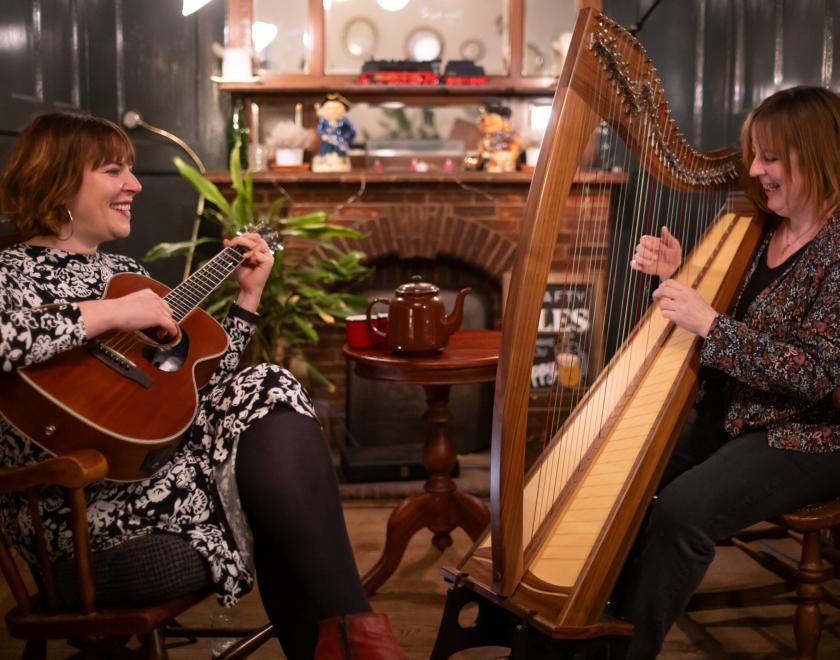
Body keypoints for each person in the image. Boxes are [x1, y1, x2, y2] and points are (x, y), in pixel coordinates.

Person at [0, 112, 406, 660]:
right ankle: (354, 641)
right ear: (58, 178)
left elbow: (190, 391)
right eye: (114, 170)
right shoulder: (11, 273)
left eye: (133, 170)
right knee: (281, 509)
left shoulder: (123, 271)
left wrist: (248, 301)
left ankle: (350, 637)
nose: (135, 185)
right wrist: (110, 313)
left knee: (268, 383)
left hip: (159, 474)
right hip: (85, 524)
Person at [616, 85, 840, 658]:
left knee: (684, 511)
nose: (755, 170)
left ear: (813, 154)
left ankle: (625, 652)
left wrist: (711, 324)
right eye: (753, 155)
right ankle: (587, 632)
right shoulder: (759, 229)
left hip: (808, 434)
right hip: (736, 414)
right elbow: (724, 318)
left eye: (770, 157)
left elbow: (815, 373)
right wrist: (675, 277)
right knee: (628, 478)